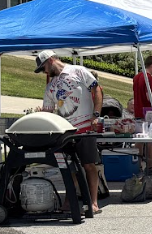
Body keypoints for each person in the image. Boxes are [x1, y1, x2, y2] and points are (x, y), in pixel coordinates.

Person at [35, 50, 105, 214]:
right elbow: (48, 111)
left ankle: (94, 202)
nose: (44, 71)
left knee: (89, 164)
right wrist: (40, 114)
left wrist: (96, 115)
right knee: (67, 166)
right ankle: (70, 200)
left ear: (51, 60)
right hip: (65, 130)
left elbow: (97, 90)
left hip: (86, 125)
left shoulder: (78, 71)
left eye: (43, 67)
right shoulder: (50, 86)